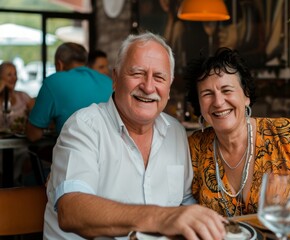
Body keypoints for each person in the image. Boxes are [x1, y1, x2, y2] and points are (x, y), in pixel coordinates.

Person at [43, 32, 226, 240]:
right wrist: (163, 217)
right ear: (115, 78)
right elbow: (71, 210)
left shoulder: (175, 131)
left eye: (159, 77)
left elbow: (184, 201)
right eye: (137, 73)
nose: (148, 87)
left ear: (169, 85)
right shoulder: (83, 126)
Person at [184, 47, 290, 217]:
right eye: (207, 94)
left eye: (227, 90)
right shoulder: (194, 149)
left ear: (246, 95)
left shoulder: (283, 135)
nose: (218, 102)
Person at [26, 42, 113, 142]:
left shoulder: (53, 82)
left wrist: (31, 111)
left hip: (74, 154)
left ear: (59, 64)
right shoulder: (109, 82)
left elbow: (33, 135)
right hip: (111, 154)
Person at [0, 61, 34, 183]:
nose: (14, 78)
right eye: (9, 74)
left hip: (20, 148)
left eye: (15, 74)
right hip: (1, 148)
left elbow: (39, 114)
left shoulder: (23, 97)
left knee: (30, 161)